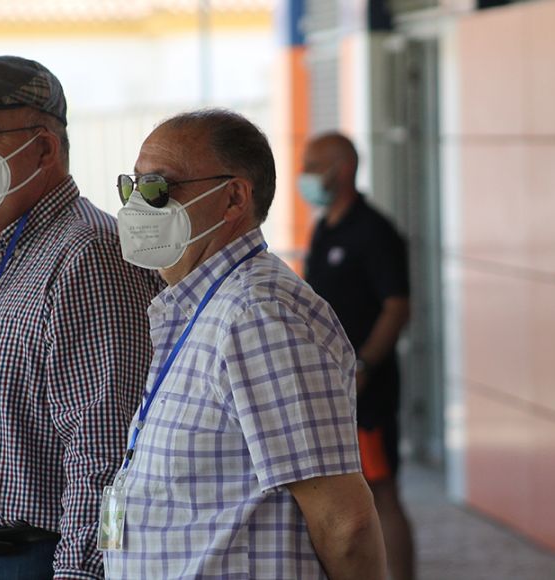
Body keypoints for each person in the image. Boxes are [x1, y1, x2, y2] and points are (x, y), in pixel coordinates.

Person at [101, 109, 386, 579]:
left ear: (233, 197)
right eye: (131, 188)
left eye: (157, 188)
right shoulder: (203, 308)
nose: (136, 207)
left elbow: (345, 522)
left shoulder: (258, 314)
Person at [0, 56, 162, 580]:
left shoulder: (88, 255)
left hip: (31, 562)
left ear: (44, 147)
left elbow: (105, 448)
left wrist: (80, 573)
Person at [299, 131, 416, 580]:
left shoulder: (374, 231)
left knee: (381, 491)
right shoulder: (325, 227)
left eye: (313, 164)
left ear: (341, 169)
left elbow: (397, 306)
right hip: (331, 391)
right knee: (346, 493)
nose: (305, 175)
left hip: (367, 392)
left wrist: (364, 365)